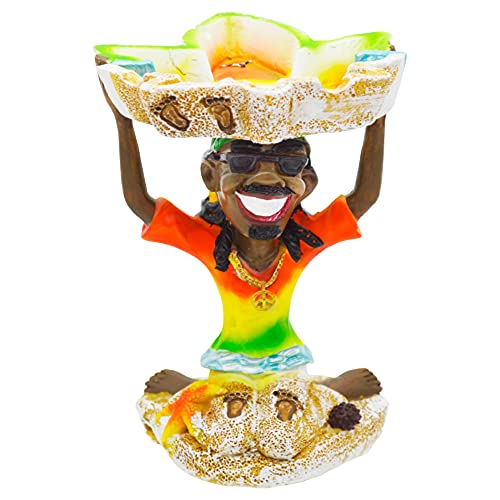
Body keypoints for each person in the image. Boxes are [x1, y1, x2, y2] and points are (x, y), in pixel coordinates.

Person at [97, 58, 385, 400]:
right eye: (243, 161)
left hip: (285, 355)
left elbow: (365, 197)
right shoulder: (210, 243)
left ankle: (322, 390)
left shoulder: (302, 242)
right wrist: (123, 121)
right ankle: (204, 389)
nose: (267, 178)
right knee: (232, 400)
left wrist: (378, 116)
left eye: (289, 164)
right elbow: (139, 202)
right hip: (231, 357)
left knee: (285, 399)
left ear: (307, 182)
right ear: (211, 175)